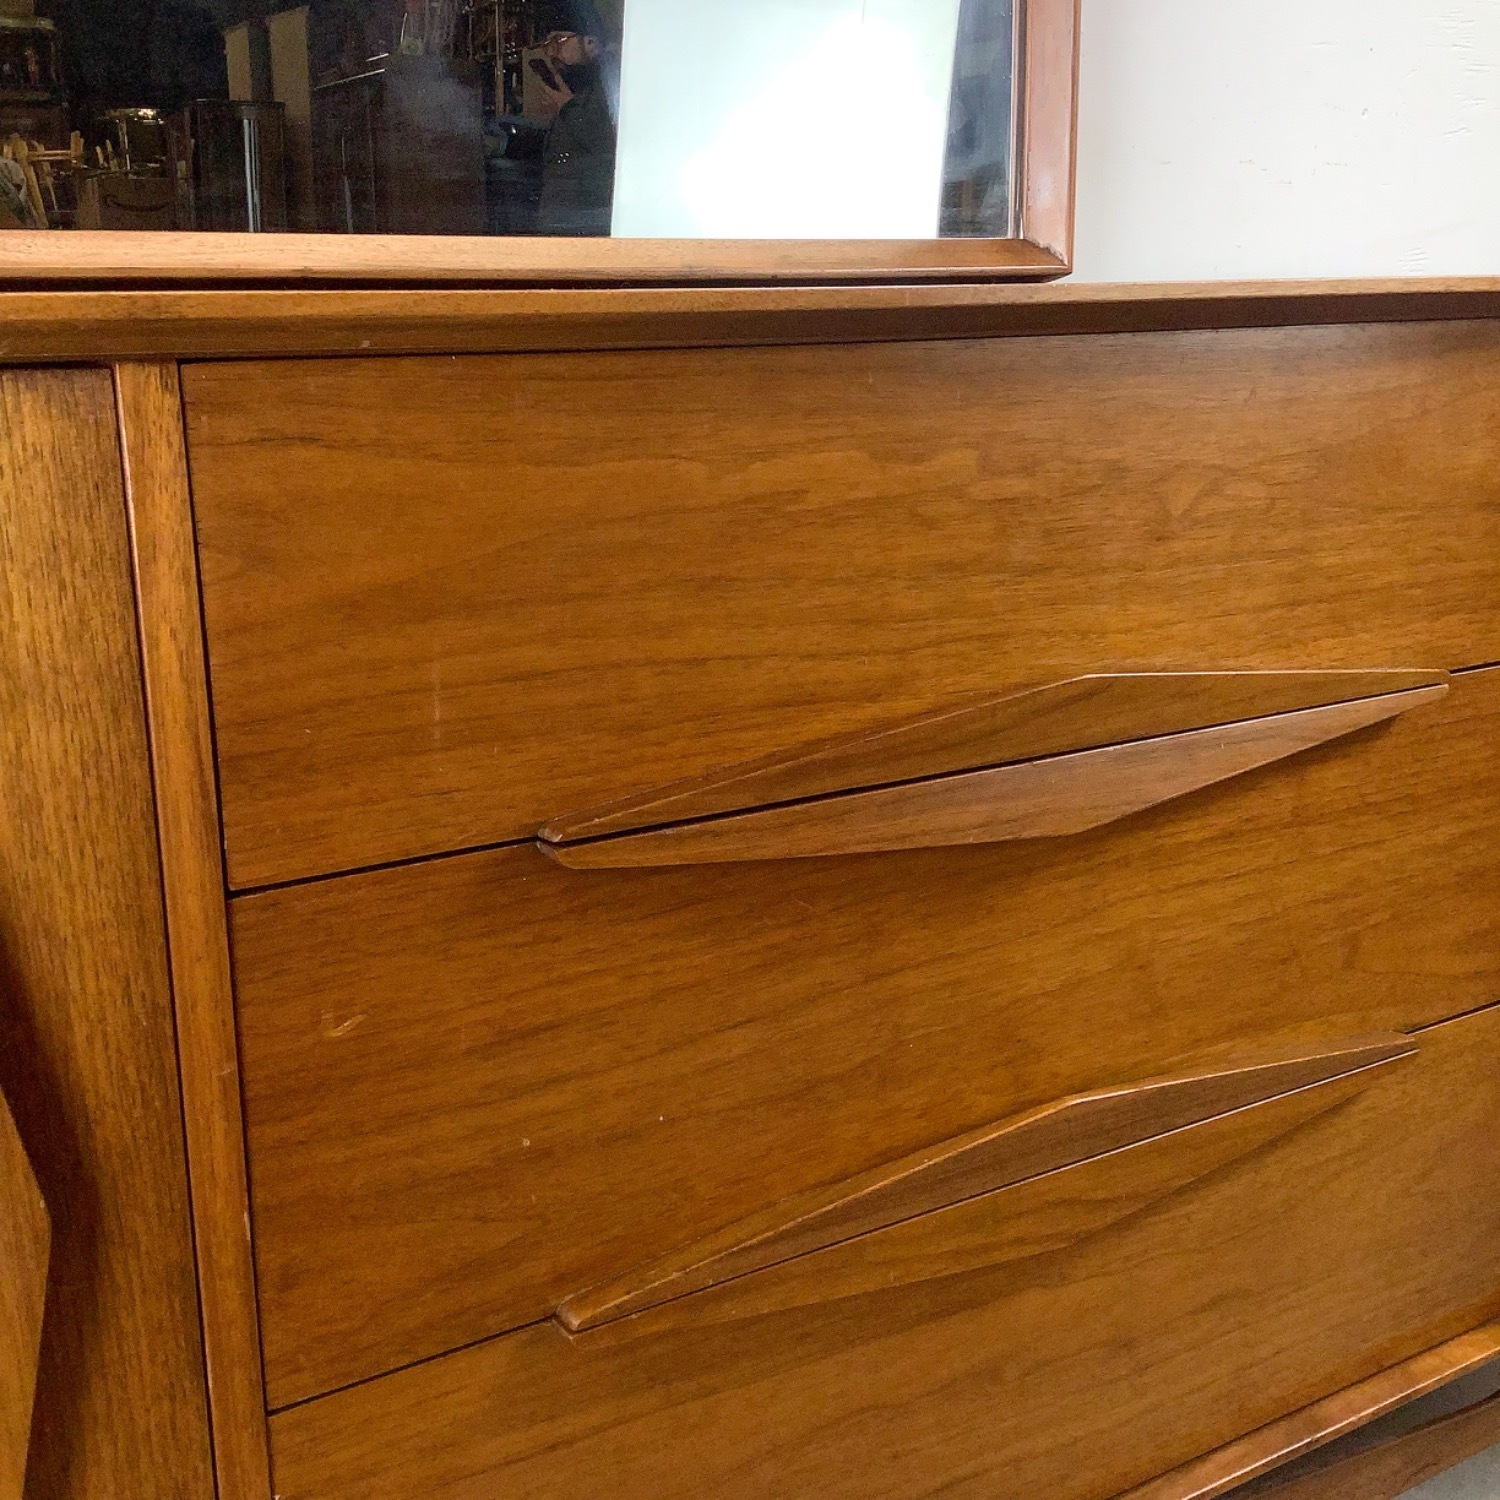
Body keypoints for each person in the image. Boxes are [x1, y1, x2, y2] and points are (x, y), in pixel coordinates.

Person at [534, 0, 616, 236]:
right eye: (547, 44)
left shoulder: (612, 88)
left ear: (590, 43)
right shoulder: (576, 90)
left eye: (558, 41)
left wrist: (568, 107)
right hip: (562, 232)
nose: (551, 52)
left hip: (588, 235)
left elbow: (609, 146)